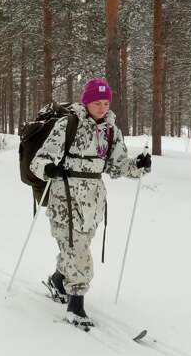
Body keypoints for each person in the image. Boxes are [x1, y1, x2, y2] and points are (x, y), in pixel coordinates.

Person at [30, 78, 151, 328]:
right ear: (86, 101)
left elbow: (117, 167)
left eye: (106, 102)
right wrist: (49, 168)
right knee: (78, 250)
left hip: (94, 202)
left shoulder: (110, 130)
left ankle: (57, 279)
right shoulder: (68, 125)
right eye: (97, 102)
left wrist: (138, 166)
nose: (102, 107)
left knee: (77, 246)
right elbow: (38, 161)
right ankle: (76, 303)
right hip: (65, 198)